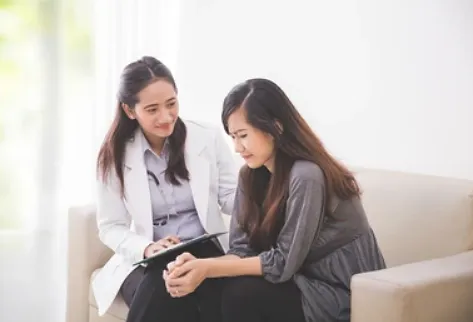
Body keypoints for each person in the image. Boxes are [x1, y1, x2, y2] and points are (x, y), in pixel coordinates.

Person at [163, 78, 387, 322]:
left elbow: (282, 264)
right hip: (298, 282)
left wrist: (209, 268)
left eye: (243, 135)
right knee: (207, 288)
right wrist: (198, 266)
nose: (238, 147)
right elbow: (241, 250)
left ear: (276, 128)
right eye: (233, 137)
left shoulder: (306, 175)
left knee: (240, 294)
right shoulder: (249, 176)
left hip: (339, 294)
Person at [92, 56, 237, 322]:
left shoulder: (207, 137)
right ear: (129, 110)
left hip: (204, 249)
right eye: (152, 109)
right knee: (167, 282)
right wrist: (147, 248)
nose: (166, 117)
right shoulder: (114, 155)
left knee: (182, 284)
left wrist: (266, 192)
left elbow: (230, 197)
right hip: (148, 257)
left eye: (171, 104)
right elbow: (110, 226)